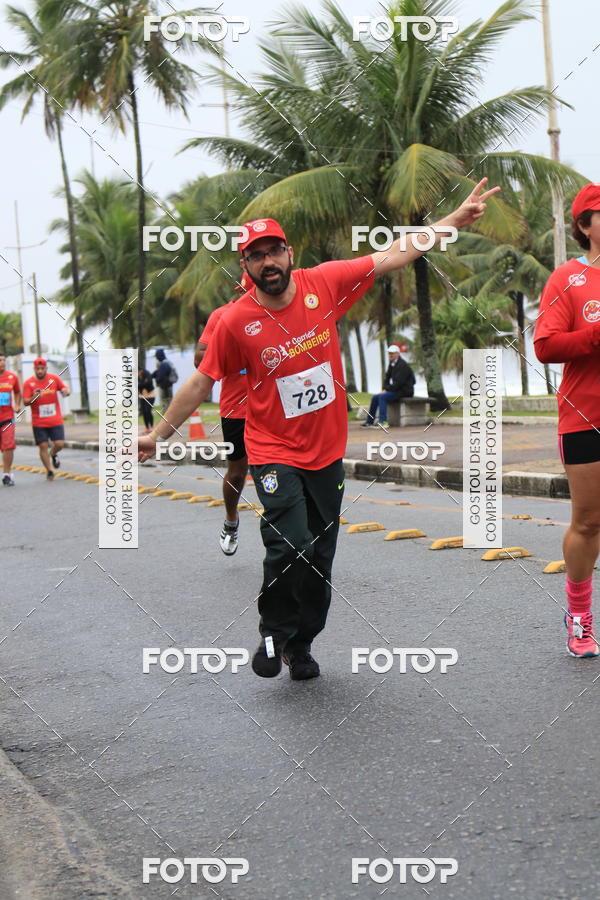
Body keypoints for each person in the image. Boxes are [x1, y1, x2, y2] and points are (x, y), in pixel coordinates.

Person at [139, 178, 498, 681]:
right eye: (256, 256)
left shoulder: (324, 283)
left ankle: (300, 644)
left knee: (320, 557)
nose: (268, 263)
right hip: (272, 448)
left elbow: (391, 254)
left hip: (326, 450)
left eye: (274, 252)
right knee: (289, 542)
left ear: (289, 253)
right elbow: (202, 381)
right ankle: (273, 630)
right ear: (244, 266)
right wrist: (159, 435)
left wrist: (449, 225)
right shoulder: (234, 321)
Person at [534, 182, 600, 658]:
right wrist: (595, 335)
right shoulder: (568, 279)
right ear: (583, 225)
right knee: (590, 522)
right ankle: (579, 618)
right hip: (586, 417)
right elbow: (545, 345)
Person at [194, 272, 251, 556]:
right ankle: (231, 519)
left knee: (277, 470)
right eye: (249, 289)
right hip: (236, 408)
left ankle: (284, 539)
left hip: (277, 407)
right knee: (238, 472)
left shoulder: (279, 312)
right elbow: (200, 358)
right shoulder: (222, 316)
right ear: (239, 288)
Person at [22, 358, 70, 480]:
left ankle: (53, 453)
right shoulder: (28, 383)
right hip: (39, 421)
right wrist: (34, 396)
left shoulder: (54, 379)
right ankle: (49, 470)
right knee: (43, 445)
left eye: (42, 368)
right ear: (34, 369)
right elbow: (26, 402)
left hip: (55, 419)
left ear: (46, 368)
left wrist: (66, 391)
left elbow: (65, 389)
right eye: (37, 369)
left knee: (59, 444)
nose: (40, 371)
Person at [362, 344, 416, 427]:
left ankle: (383, 422)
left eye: (392, 353)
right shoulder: (392, 364)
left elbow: (399, 383)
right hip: (396, 390)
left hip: (405, 391)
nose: (390, 355)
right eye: (389, 353)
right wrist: (384, 388)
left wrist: (386, 390)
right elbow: (387, 378)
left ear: (398, 354)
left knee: (382, 397)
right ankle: (369, 421)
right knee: (375, 397)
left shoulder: (402, 365)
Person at [0, 353, 21, 486]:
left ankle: (6, 474)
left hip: (7, 418)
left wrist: (17, 404)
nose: (2, 362)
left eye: (3, 360)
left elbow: (17, 392)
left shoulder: (12, 377)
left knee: (8, 446)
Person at [138, 366, 155, 433]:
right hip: (142, 396)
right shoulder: (137, 377)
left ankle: (152, 426)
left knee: (148, 410)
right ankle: (147, 428)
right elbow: (136, 385)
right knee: (144, 412)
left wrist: (141, 385)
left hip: (150, 395)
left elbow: (149, 383)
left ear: (140, 370)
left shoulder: (147, 373)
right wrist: (143, 384)